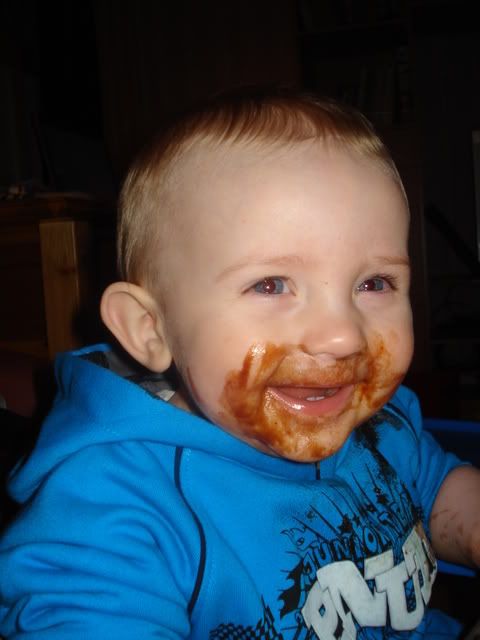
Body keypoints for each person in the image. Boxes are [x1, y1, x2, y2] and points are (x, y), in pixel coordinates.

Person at [0, 89, 479, 639]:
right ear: (151, 329)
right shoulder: (111, 511)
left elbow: (436, 489)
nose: (344, 336)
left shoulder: (379, 427)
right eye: (271, 284)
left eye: (374, 283)